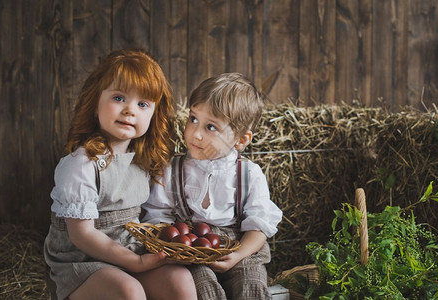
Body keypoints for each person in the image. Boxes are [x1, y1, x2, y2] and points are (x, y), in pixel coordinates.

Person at [44, 49, 197, 300]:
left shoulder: (141, 162)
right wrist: (135, 262)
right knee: (129, 291)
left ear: (153, 115)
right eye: (118, 97)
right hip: (82, 261)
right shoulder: (81, 164)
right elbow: (82, 235)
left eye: (143, 104)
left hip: (129, 250)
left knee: (179, 279)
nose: (130, 110)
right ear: (95, 103)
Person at [141, 72, 283, 299]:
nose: (195, 134)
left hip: (238, 248)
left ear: (241, 140)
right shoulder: (171, 170)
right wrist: (178, 246)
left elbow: (259, 225)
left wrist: (237, 256)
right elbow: (157, 216)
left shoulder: (249, 174)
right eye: (193, 119)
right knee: (202, 285)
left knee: (251, 284)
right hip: (189, 251)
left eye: (211, 127)